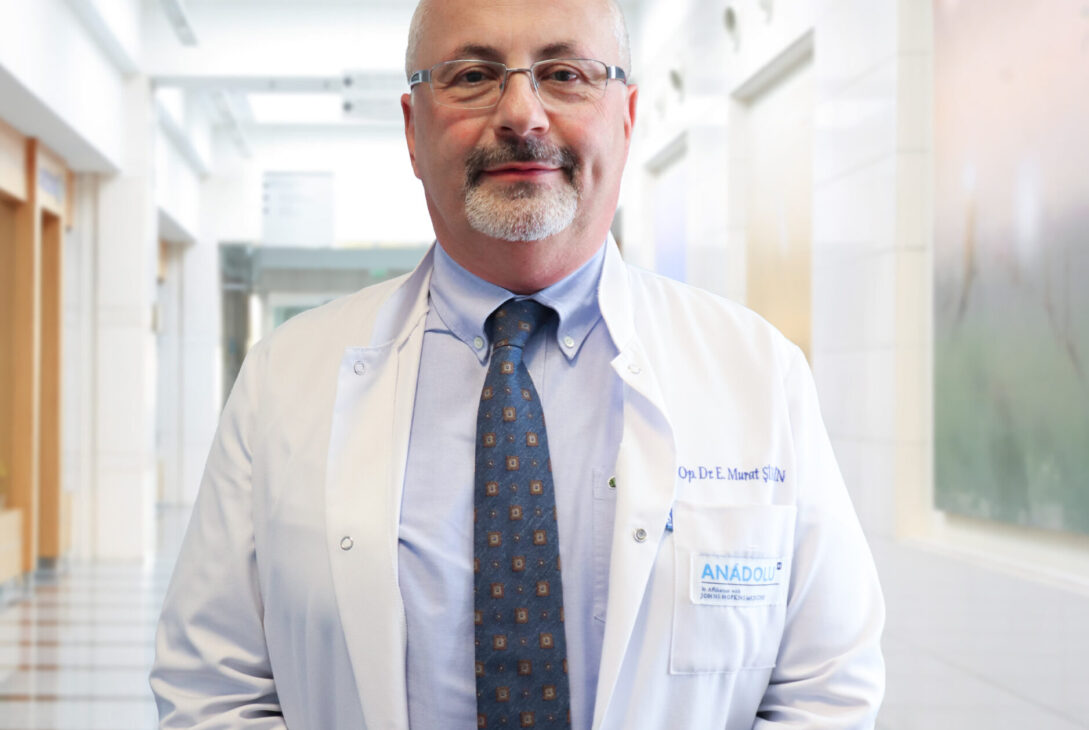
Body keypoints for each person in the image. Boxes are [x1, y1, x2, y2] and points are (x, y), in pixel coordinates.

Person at [150, 0, 885, 727]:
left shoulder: (757, 372)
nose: (521, 114)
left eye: (565, 74)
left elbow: (827, 690)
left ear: (627, 119)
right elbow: (213, 688)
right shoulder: (284, 378)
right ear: (412, 129)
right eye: (472, 76)